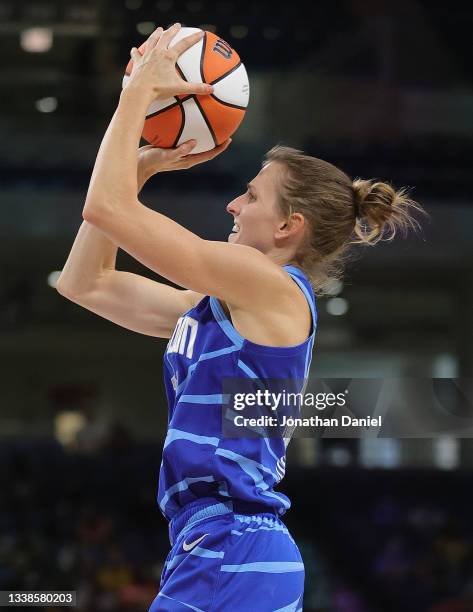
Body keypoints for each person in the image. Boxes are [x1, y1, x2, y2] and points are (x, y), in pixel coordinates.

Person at [57, 24, 424, 611]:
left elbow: (105, 205)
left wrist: (137, 96)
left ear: (288, 227)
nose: (232, 203)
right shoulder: (217, 307)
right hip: (218, 548)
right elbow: (86, 284)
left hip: (232, 546)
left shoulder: (271, 285)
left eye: (251, 196)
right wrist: (142, 168)